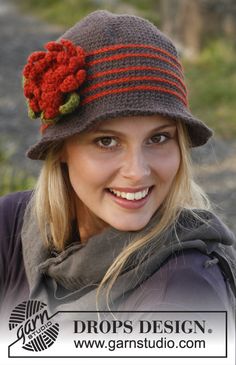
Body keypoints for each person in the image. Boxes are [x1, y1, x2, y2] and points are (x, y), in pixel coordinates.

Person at [0, 10, 235, 319]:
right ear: (62, 150)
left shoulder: (184, 293)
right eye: (107, 141)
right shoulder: (12, 227)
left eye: (159, 138)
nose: (137, 171)